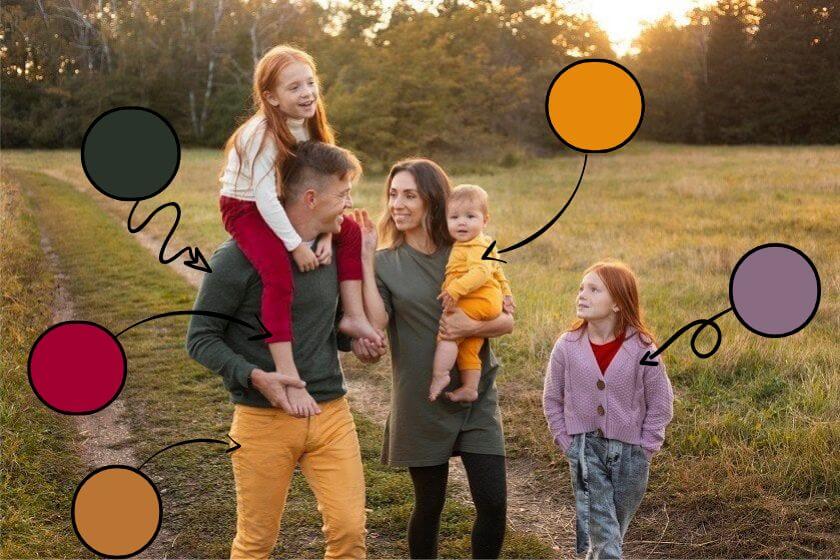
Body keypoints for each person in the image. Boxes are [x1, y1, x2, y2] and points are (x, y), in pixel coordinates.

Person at [188, 141, 368, 559]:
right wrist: (254, 376)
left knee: (349, 530)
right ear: (310, 198)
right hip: (261, 419)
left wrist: (354, 342)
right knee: (256, 543)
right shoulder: (237, 258)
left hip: (330, 412)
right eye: (342, 194)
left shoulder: (329, 250)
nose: (349, 203)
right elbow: (200, 337)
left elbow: (325, 326)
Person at [351, 159, 513, 559]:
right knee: (430, 506)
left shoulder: (472, 246)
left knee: (493, 503)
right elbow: (378, 321)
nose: (397, 204)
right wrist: (366, 260)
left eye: (409, 195)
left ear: (432, 200)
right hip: (420, 398)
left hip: (475, 392)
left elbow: (507, 321)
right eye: (392, 194)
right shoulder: (386, 261)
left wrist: (466, 329)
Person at [217, 45, 381, 410]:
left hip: (280, 202)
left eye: (310, 83)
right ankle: (288, 372)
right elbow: (262, 200)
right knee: (278, 276)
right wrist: (296, 245)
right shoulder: (259, 134)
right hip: (246, 208)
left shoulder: (309, 122)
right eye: (294, 88)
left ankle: (353, 316)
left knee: (351, 231)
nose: (307, 93)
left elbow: (323, 182)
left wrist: (325, 233)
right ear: (271, 97)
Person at [542, 260, 674, 559]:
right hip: (585, 448)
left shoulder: (644, 349)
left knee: (610, 530)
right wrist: (567, 443)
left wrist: (646, 448)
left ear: (617, 303)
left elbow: (661, 403)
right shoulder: (567, 346)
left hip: (631, 455)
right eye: (581, 288)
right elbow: (552, 399)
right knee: (605, 534)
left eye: (593, 289)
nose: (582, 294)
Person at [429, 184, 515, 403]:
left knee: (449, 333)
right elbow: (498, 272)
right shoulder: (487, 244)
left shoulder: (474, 246)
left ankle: (440, 375)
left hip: (476, 299)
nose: (462, 222)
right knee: (469, 348)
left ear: (485, 220)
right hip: (489, 303)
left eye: (470, 216)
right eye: (454, 217)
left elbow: (482, 271)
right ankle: (470, 388)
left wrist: (455, 289)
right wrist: (506, 294)